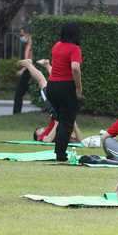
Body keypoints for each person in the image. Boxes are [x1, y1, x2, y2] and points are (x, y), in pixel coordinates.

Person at [18, 58, 82, 143]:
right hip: (59, 112)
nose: (40, 128)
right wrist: (71, 121)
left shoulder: (47, 132)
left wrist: (59, 121)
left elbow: (49, 138)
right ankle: (33, 64)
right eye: (38, 130)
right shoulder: (42, 136)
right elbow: (80, 140)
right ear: (37, 136)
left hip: (58, 112)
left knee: (51, 82)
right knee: (44, 81)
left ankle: (39, 65)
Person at [45, 23, 83, 162]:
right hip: (66, 86)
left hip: (52, 86)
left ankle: (59, 151)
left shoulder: (56, 46)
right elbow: (75, 68)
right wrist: (78, 88)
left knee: (62, 120)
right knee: (67, 122)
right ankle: (60, 154)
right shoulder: (75, 49)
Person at [13, 27, 33, 114]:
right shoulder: (28, 46)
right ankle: (17, 113)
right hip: (27, 71)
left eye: (22, 35)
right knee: (19, 94)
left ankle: (16, 113)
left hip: (28, 72)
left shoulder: (31, 47)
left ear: (27, 34)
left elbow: (30, 61)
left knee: (18, 94)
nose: (21, 37)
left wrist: (22, 70)